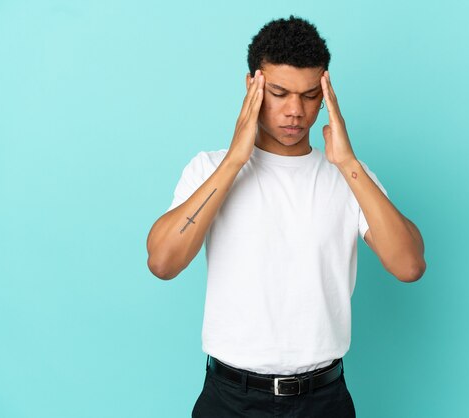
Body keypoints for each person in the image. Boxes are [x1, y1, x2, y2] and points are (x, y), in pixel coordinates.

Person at [146, 15, 426, 418]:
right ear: (252, 86)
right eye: (279, 93)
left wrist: (347, 163)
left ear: (326, 94)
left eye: (310, 95)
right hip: (229, 399)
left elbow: (410, 265)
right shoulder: (208, 167)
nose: (295, 110)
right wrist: (235, 160)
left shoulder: (349, 176)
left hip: (323, 399)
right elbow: (162, 262)